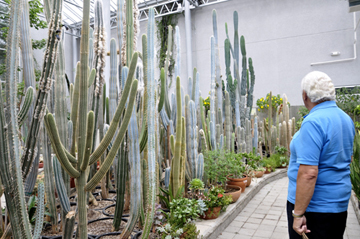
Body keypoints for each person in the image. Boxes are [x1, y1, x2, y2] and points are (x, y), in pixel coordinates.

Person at [287, 71, 355, 239]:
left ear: (304, 96)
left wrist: (297, 214)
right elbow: (349, 158)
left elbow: (309, 173)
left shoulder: (313, 121)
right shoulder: (346, 119)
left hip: (314, 208)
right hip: (337, 206)